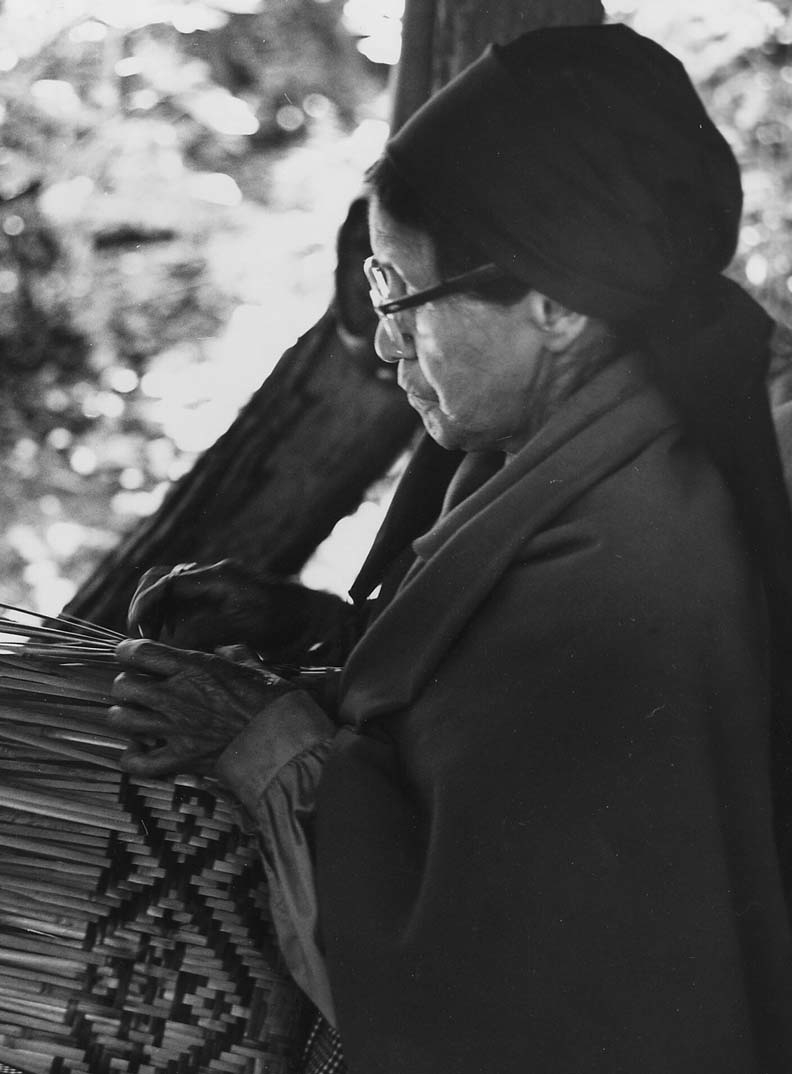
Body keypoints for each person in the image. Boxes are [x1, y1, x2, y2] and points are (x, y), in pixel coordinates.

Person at [108, 23, 792, 1074]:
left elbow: (469, 999)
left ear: (554, 307)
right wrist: (312, 630)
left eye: (401, 298)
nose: (385, 342)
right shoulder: (590, 443)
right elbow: (479, 719)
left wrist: (269, 742)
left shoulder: (629, 559)